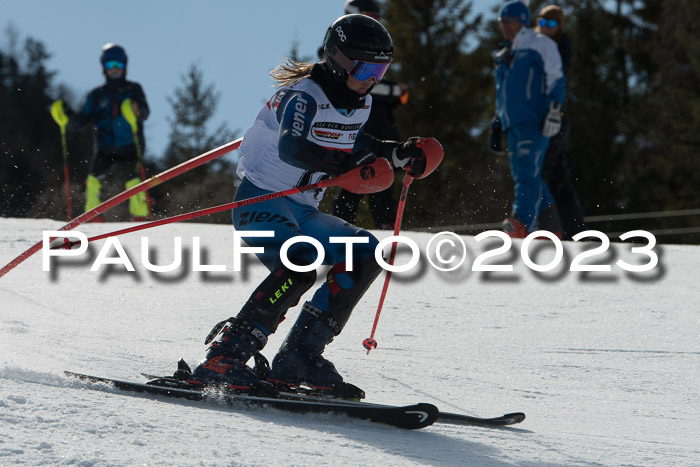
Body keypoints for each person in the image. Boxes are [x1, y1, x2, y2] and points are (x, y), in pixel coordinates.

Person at [188, 14, 429, 398]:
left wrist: (395, 153)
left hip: (302, 208)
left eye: (382, 68)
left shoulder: (360, 102)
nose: (374, 78)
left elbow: (352, 138)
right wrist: (348, 166)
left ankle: (300, 355)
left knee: (366, 253)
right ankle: (225, 357)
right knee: (300, 262)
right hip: (260, 201)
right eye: (367, 67)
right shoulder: (304, 95)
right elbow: (293, 147)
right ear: (339, 59)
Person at [331, 0, 409, 230]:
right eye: (369, 16)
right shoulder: (341, 47)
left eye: (377, 17)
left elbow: (397, 92)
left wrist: (393, 91)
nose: (374, 22)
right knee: (350, 184)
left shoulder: (380, 47)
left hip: (380, 125)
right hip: (352, 127)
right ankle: (340, 230)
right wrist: (392, 90)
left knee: (383, 182)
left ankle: (384, 228)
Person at [491, 1, 566, 238]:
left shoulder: (540, 44)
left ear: (522, 20)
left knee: (526, 174)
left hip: (534, 121)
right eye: (501, 22)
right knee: (529, 175)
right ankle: (550, 229)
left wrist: (555, 110)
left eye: (508, 21)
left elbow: (556, 78)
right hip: (512, 123)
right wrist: (497, 122)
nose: (504, 27)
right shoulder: (505, 54)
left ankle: (521, 223)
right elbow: (502, 92)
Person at [65, 43, 150, 221]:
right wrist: (67, 116)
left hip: (129, 144)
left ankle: (141, 215)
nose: (115, 69)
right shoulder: (97, 94)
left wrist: (137, 110)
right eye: (110, 65)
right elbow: (81, 120)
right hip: (105, 146)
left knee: (132, 178)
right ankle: (92, 215)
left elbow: (144, 112)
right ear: (104, 67)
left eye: (118, 64)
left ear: (125, 65)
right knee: (93, 179)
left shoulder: (133, 89)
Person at [535, 5, 586, 239]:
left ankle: (545, 228)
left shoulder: (561, 46)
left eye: (552, 24)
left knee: (541, 173)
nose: (546, 29)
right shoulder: (534, 42)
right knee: (557, 177)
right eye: (543, 23)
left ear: (560, 27)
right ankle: (573, 231)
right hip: (539, 116)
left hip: (553, 117)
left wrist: (553, 111)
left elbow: (556, 81)